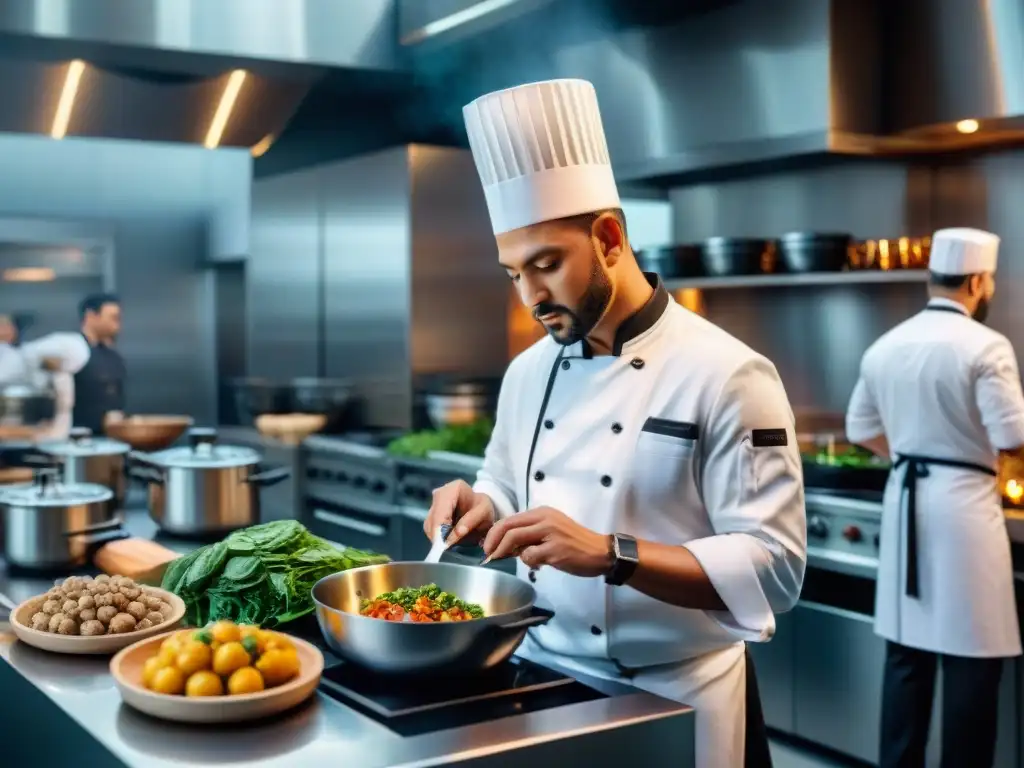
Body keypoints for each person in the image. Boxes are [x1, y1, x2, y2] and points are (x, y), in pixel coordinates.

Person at [424, 78, 806, 768]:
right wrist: (484, 507)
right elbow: (507, 481)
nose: (533, 298)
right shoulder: (527, 371)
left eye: (546, 265)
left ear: (607, 238)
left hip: (681, 698)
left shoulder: (728, 373)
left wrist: (612, 554)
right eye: (514, 274)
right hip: (541, 683)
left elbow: (775, 568)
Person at [845, 227, 1024, 768]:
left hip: (905, 498)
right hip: (964, 505)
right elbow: (1012, 437)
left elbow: (859, 428)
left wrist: (906, 449)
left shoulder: (886, 344)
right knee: (972, 655)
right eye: (988, 280)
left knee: (907, 654)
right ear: (976, 281)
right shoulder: (987, 345)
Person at [19, 293, 125, 439]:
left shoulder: (113, 356)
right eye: (113, 318)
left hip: (108, 439)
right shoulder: (70, 347)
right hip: (73, 439)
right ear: (91, 316)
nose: (117, 324)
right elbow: (27, 355)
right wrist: (45, 368)